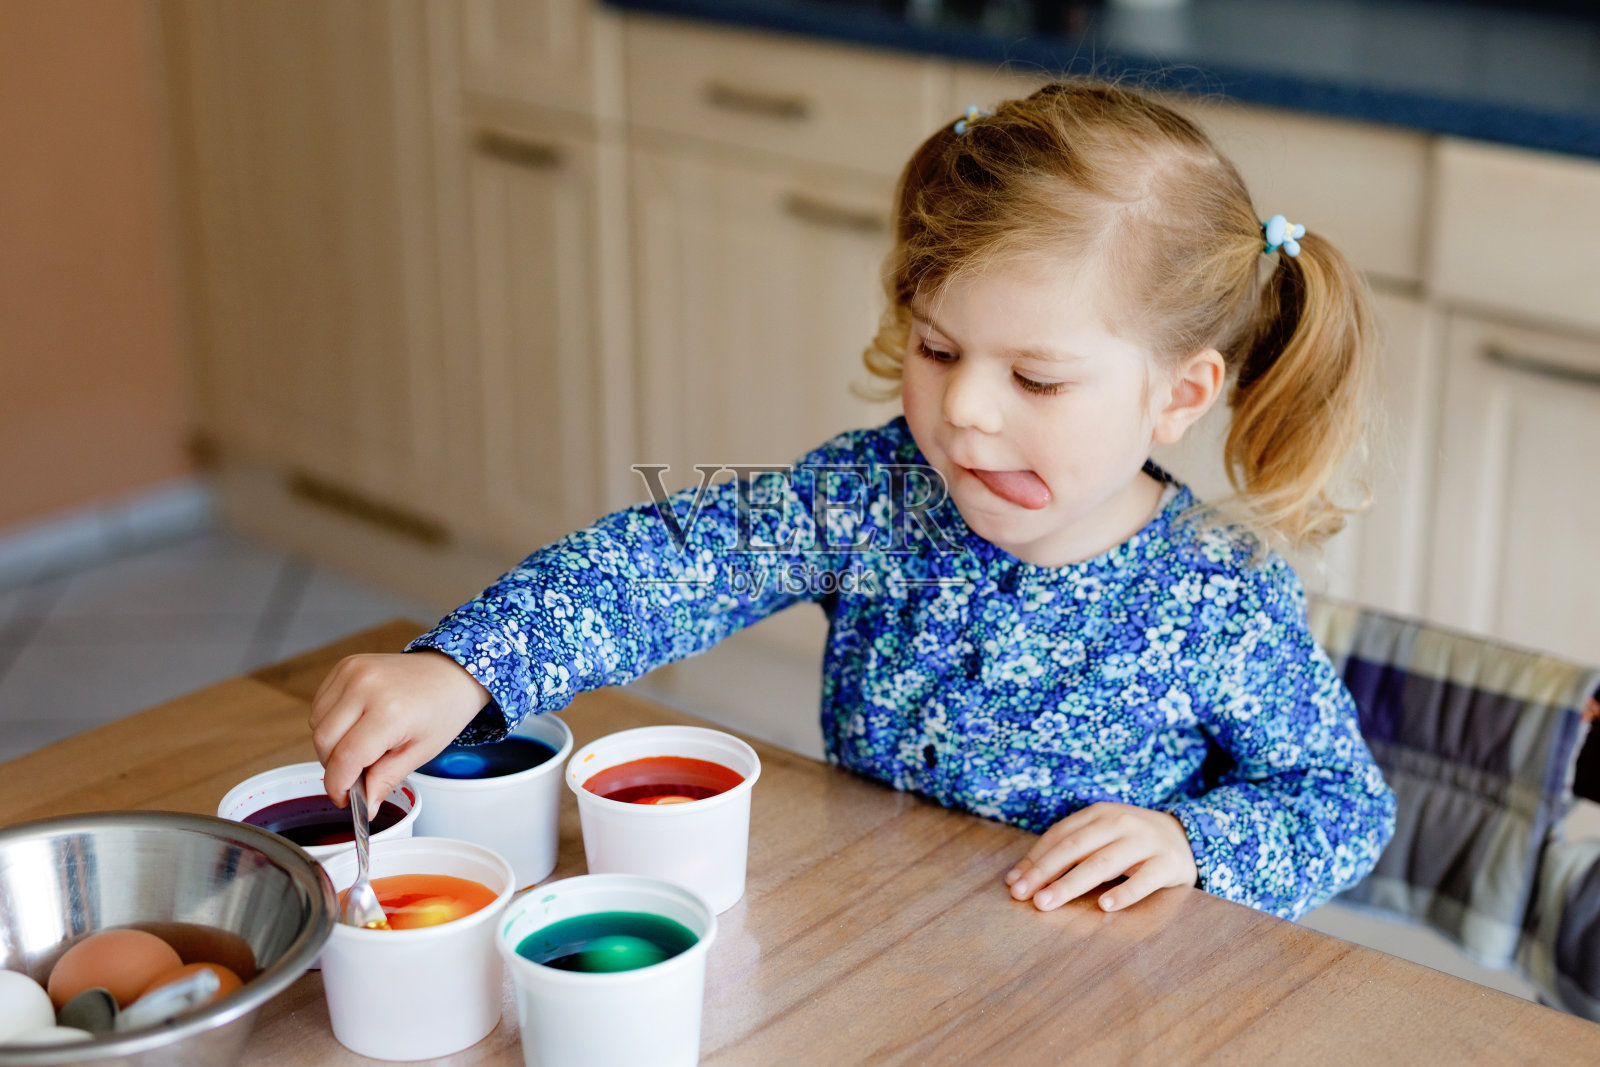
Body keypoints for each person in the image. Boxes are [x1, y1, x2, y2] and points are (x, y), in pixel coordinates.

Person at [310, 81, 1396, 922]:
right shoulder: (873, 496)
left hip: (1095, 998)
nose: (963, 409)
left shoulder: (1218, 591)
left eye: (1035, 377)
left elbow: (1338, 807)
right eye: (936, 345)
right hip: (875, 931)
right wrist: (467, 664)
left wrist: (1188, 842)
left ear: (1180, 393)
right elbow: (666, 565)